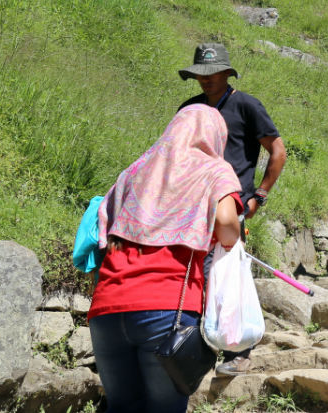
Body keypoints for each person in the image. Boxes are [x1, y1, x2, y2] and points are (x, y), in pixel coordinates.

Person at [88, 104, 243, 412]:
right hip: (166, 308)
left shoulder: (138, 168)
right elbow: (227, 225)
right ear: (215, 136)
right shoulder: (212, 169)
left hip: (106, 306)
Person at [177, 41, 286, 378]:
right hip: (193, 204)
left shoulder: (246, 106)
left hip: (231, 203)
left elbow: (278, 151)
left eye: (212, 74)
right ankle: (200, 344)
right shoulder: (191, 109)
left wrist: (260, 195)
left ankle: (239, 349)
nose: (205, 80)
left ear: (227, 73)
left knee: (224, 272)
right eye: (200, 75)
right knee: (195, 270)